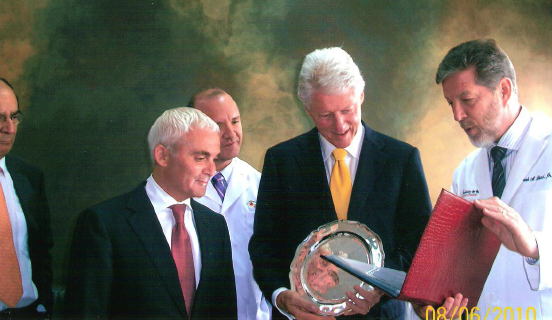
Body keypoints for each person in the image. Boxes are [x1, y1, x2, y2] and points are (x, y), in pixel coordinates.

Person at [248, 47, 434, 320]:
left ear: (361, 95)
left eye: (347, 110)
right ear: (307, 108)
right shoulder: (281, 161)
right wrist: (280, 295)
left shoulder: (401, 159)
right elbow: (264, 245)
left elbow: (419, 243)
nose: (339, 125)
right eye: (325, 115)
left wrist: (381, 287)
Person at [64, 107, 237, 319]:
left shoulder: (215, 226)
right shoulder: (104, 223)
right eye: (200, 158)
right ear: (162, 155)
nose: (211, 170)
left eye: (214, 158)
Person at [436, 38, 552, 316]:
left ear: (503, 90)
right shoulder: (464, 172)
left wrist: (535, 246)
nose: (457, 115)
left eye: (466, 100)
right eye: (450, 103)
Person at [190, 88, 272, 320]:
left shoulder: (260, 184)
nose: (231, 133)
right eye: (218, 126)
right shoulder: (180, 189)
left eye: (235, 121)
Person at [0, 78, 53, 318]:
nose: (10, 128)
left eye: (14, 117)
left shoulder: (29, 177)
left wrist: (44, 306)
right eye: (0, 118)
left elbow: (42, 252)